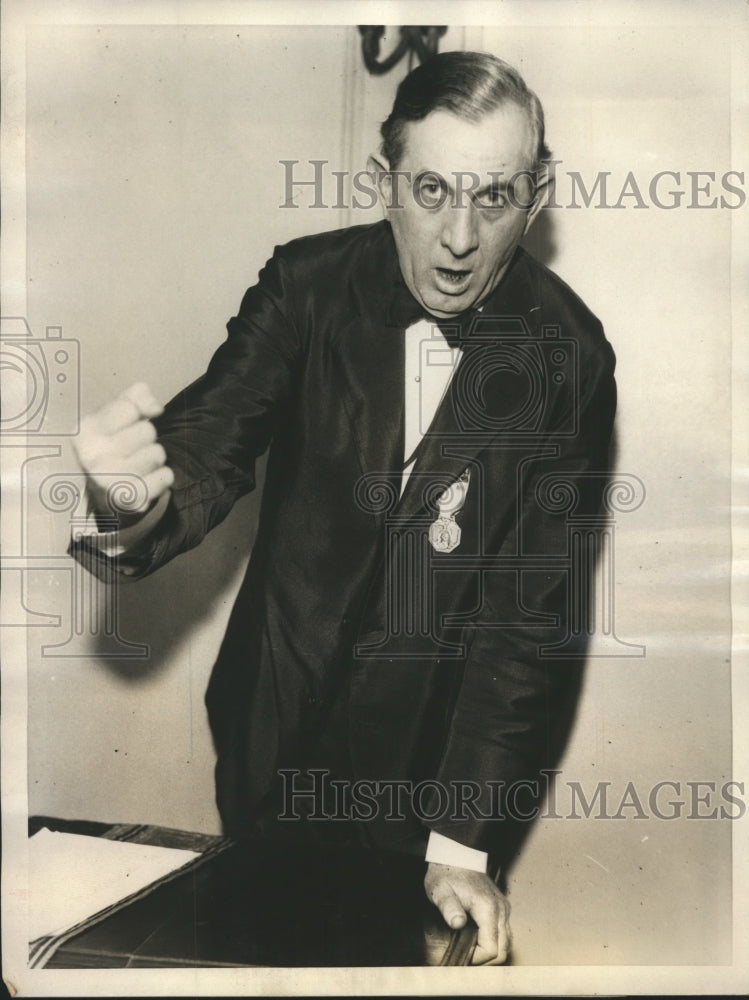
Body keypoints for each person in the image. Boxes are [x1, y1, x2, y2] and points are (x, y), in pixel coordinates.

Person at [71, 51, 616, 965]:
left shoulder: (572, 359)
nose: (456, 235)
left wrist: (460, 843)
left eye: (494, 197)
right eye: (432, 188)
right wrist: (128, 501)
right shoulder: (305, 286)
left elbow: (526, 624)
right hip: (268, 727)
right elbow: (210, 442)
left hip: (432, 773)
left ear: (538, 194)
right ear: (384, 182)